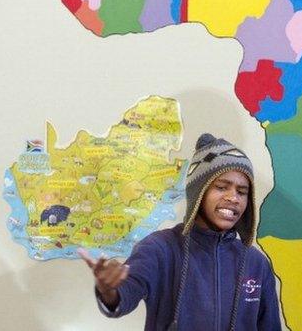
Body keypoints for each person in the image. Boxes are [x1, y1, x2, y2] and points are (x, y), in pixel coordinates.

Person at [78, 133, 282, 331]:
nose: (233, 198)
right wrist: (109, 290)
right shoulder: (159, 248)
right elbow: (126, 293)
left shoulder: (256, 263)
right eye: (221, 187)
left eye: (242, 192)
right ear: (198, 192)